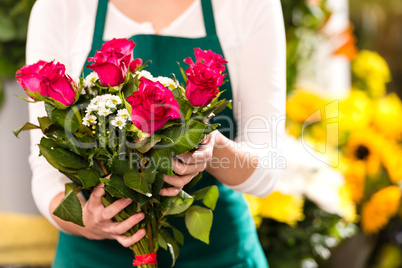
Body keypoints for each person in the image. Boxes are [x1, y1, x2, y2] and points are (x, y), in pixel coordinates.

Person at [26, 0, 286, 267]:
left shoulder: (249, 6)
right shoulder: (60, 7)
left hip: (217, 254)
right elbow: (47, 174)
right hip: (93, 258)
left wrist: (210, 147)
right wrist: (86, 222)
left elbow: (267, 170)